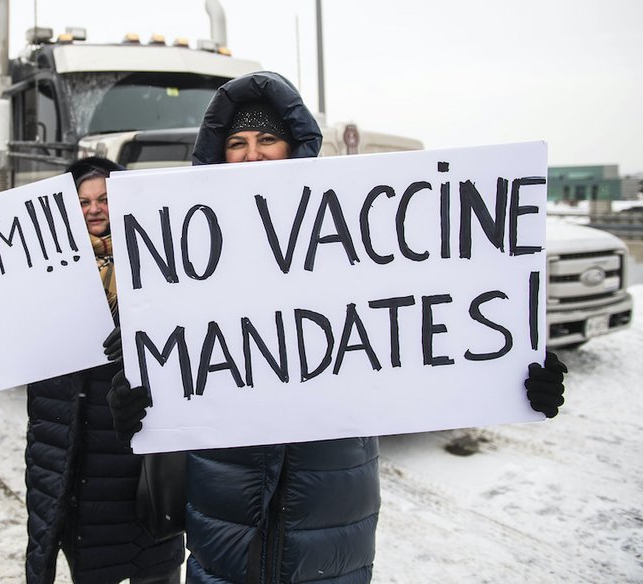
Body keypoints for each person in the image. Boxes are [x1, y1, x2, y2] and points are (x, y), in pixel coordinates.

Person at [104, 71, 569, 584]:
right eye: (236, 142)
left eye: (267, 139)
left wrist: (511, 376)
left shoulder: (348, 247)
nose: (251, 155)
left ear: (294, 146)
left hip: (329, 510)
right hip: (225, 513)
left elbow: (419, 333)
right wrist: (135, 402)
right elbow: (166, 379)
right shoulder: (183, 255)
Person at [0, 157, 184, 584]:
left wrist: (144, 334)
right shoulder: (38, 267)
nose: (94, 209)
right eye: (82, 202)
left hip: (141, 455)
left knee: (153, 563)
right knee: (94, 562)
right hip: (73, 454)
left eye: (104, 199)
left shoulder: (164, 260)